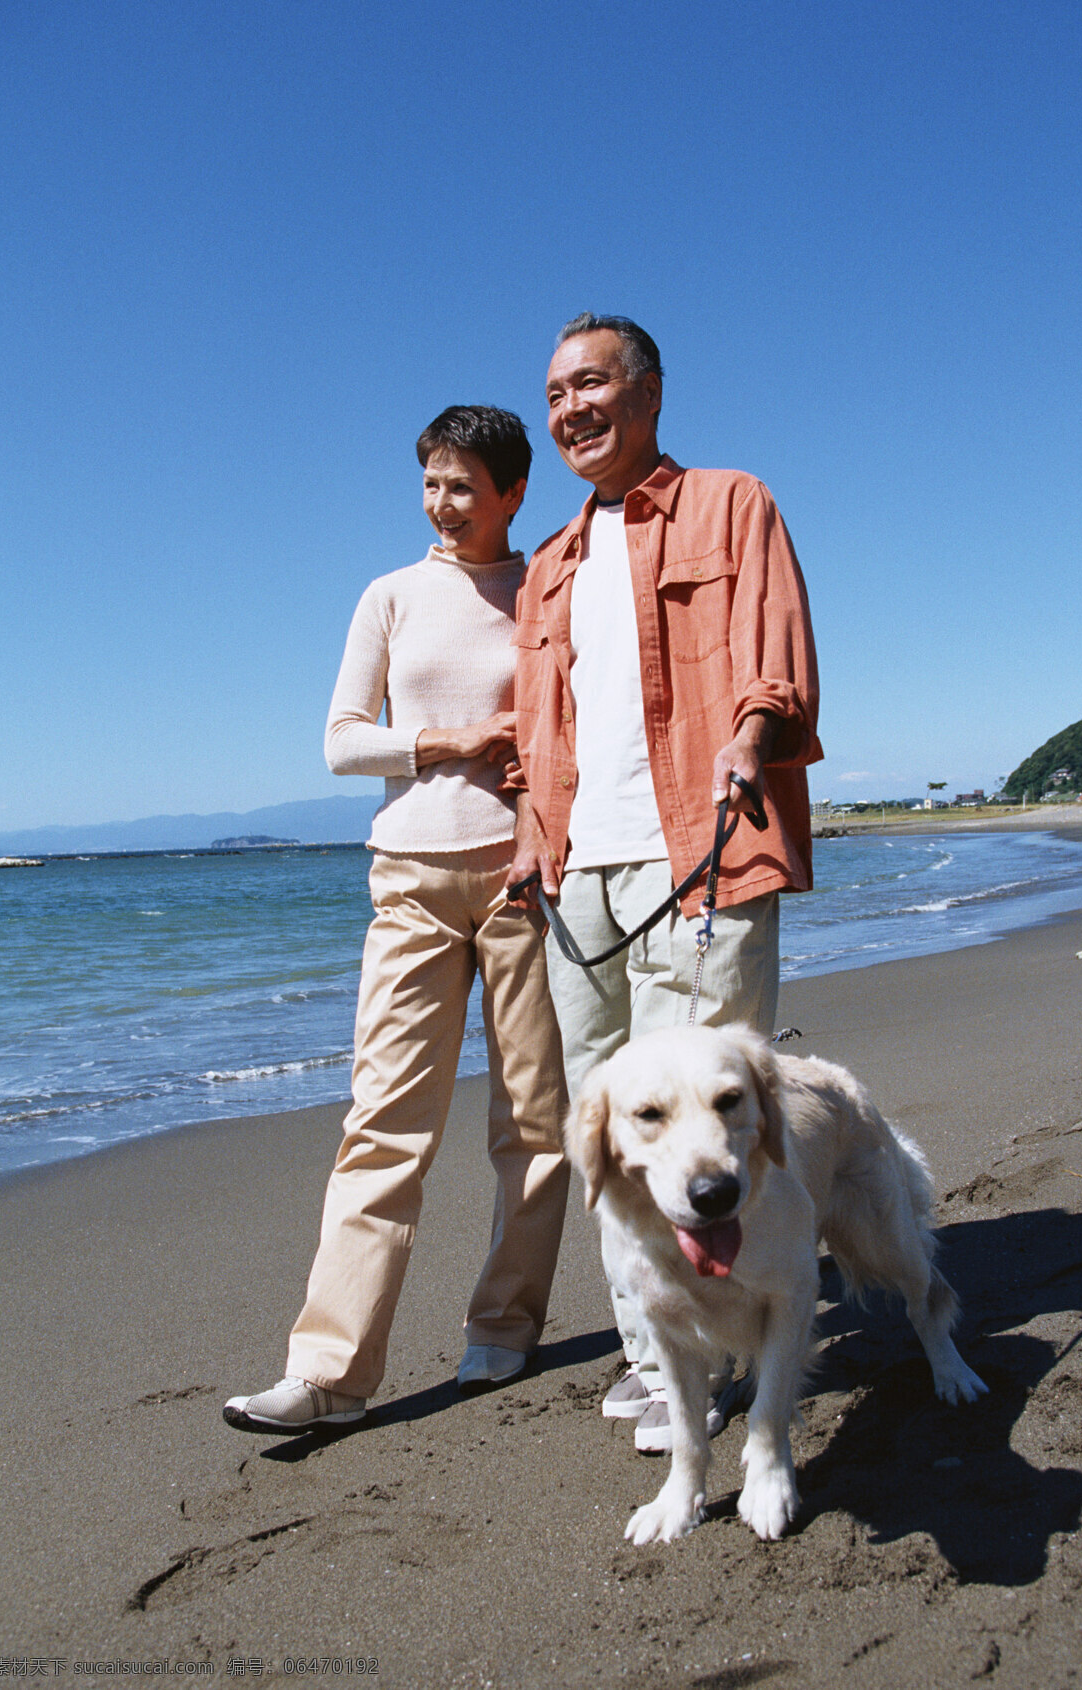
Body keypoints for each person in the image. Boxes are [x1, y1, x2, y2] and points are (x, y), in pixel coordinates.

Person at [507, 314, 821, 1451]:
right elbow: (536, 731)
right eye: (553, 393)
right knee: (615, 1130)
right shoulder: (551, 563)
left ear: (647, 391)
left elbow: (774, 650)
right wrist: (529, 838)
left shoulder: (733, 503)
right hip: (579, 884)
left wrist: (751, 734)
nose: (568, 408)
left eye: (589, 382)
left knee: (715, 1123)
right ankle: (660, 1357)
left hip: (707, 852)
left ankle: (748, 1336)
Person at [225, 405, 571, 1433]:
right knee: (383, 1121)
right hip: (411, 875)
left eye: (464, 485)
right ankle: (328, 1371)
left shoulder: (547, 587)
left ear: (513, 492)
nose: (442, 502)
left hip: (523, 876)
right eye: (431, 482)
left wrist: (541, 767)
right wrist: (450, 737)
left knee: (535, 1122)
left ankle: (504, 1327)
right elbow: (340, 742)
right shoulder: (389, 594)